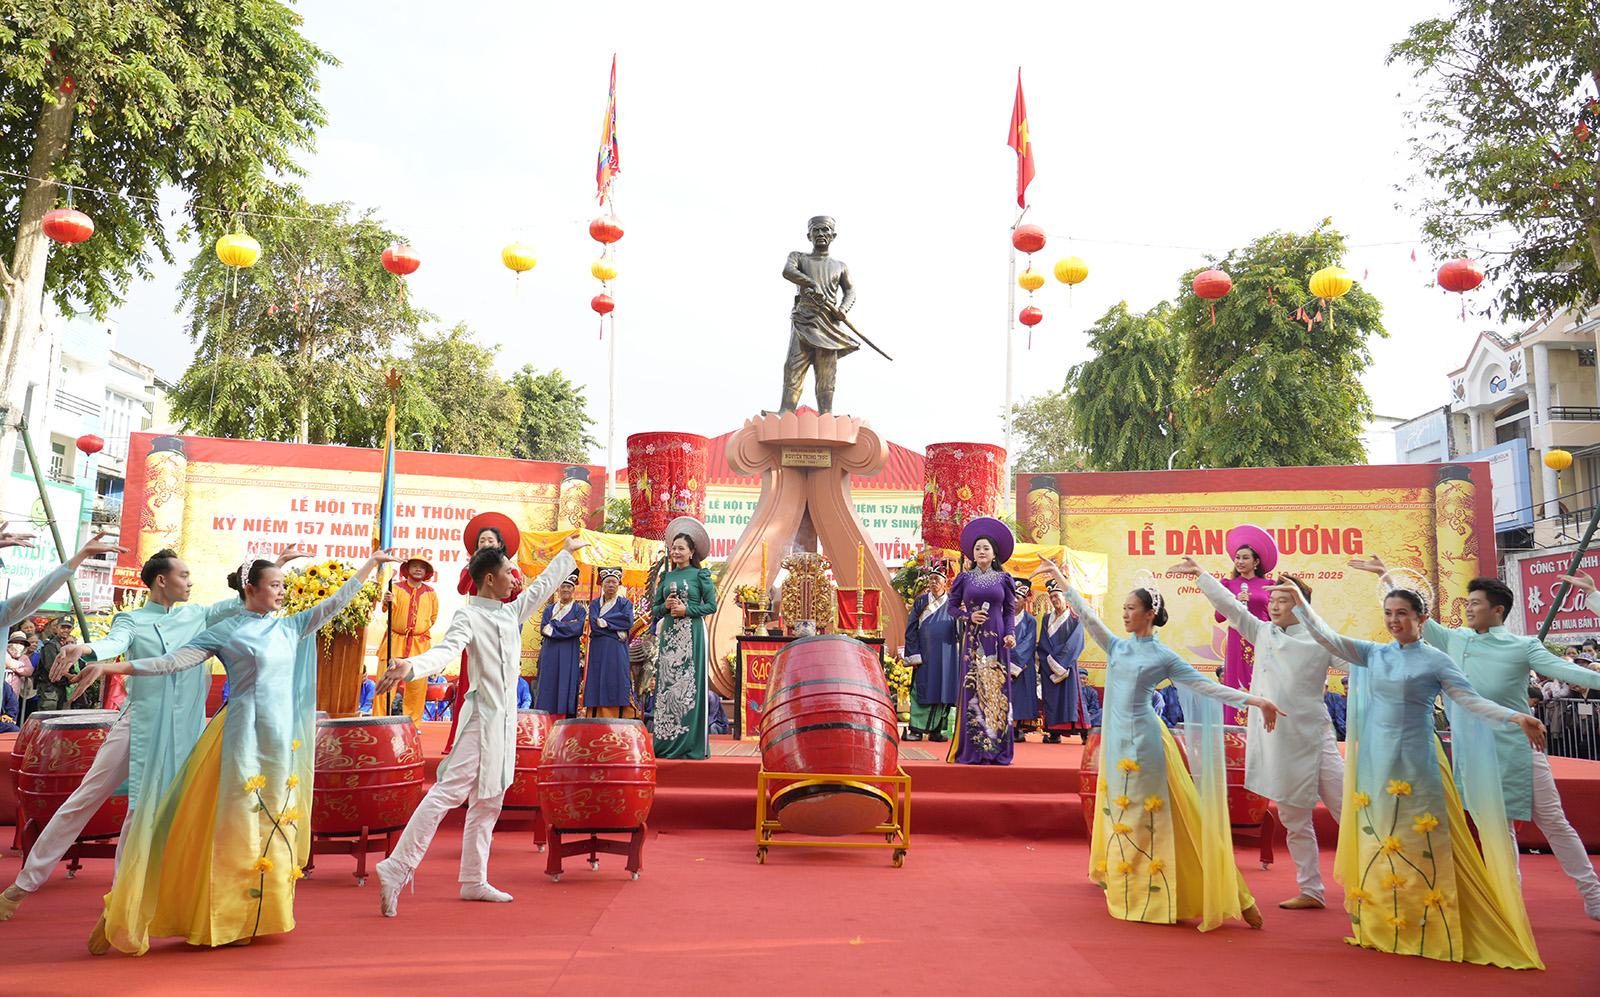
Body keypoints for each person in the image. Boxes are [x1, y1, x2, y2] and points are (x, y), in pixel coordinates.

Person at [66, 548, 401, 954]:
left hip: (280, 743)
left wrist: (371, 565)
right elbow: (171, 662)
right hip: (242, 739)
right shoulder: (226, 631)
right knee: (237, 827)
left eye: (283, 585)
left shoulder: (290, 626)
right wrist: (113, 667)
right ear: (251, 589)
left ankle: (258, 916)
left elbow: (336, 602)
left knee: (273, 824)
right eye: (275, 585)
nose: (282, 592)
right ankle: (221, 918)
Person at [1, 546, 312, 922]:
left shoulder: (199, 616)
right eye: (184, 575)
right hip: (141, 724)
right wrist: (87, 648)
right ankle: (23, 885)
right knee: (85, 798)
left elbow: (246, 598)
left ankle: (123, 903)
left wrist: (276, 566)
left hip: (186, 732)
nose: (190, 582)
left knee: (147, 814)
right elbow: (114, 643)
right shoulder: (131, 619)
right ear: (162, 580)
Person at [1279, 580, 1544, 969]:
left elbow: (1469, 700)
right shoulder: (1375, 653)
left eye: (1402, 613)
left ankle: (1431, 925)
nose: (1394, 621)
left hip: (1418, 762)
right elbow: (1328, 638)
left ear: (1422, 618)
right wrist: (1301, 604)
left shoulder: (1436, 660)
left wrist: (1515, 716)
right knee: (1383, 840)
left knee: (1422, 842)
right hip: (1377, 763)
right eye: (1388, 614)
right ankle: (1387, 925)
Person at [1034, 556, 1281, 931]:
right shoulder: (1118, 647)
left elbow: (1206, 687)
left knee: (1152, 816)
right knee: (1124, 814)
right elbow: (1086, 615)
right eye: (1123, 608)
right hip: (1116, 743)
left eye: (1131, 608)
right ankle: (1131, 888)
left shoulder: (1164, 656)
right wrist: (1060, 577)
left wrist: (1256, 701)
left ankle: (1224, 896)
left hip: (1146, 744)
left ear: (1150, 613)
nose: (1125, 614)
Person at [1355, 558, 1600, 920]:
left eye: (1475, 603)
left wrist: (1594, 599)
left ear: (1497, 610)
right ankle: (1509, 907)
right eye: (1467, 603)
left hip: (1520, 748)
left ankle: (1593, 895)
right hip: (1473, 753)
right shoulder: (1454, 640)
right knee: (1497, 833)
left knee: (1554, 822)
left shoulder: (1523, 646)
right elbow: (1413, 614)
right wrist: (1386, 575)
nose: (1468, 608)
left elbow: (1571, 672)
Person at [371, 537, 583, 916]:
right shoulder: (468, 617)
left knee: (490, 799)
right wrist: (411, 666)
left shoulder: (511, 612)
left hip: (504, 723)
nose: (514, 578)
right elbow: (446, 651)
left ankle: (473, 879)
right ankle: (397, 865)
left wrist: (566, 552)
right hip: (481, 720)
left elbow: (541, 588)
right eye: (507, 572)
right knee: (447, 793)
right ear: (489, 579)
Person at [1172, 555, 1345, 911]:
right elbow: (1232, 609)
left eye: (1283, 600)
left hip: (1316, 736)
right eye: (1273, 600)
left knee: (1348, 810)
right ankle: (1311, 889)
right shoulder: (1263, 632)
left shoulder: (1321, 640)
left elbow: (1358, 662)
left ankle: (1379, 880)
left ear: (1302, 607)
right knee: (1293, 817)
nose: (1274, 606)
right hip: (1279, 740)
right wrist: (1201, 575)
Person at [447, 513, 523, 752]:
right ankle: (459, 741)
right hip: (477, 627)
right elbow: (462, 589)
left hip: (500, 629)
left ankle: (497, 742)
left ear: (500, 544)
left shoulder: (510, 570)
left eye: (491, 541)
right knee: (470, 683)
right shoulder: (470, 568)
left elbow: (517, 600)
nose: (486, 544)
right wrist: (475, 567)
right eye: (482, 541)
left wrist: (517, 587)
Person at [947, 518, 1018, 765]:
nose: (981, 552)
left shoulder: (1004, 579)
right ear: (973, 553)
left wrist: (1010, 634)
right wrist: (969, 616)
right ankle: (975, 749)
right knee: (974, 688)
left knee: (996, 689)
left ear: (994, 553)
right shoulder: (964, 579)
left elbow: (1009, 611)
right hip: (973, 642)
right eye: (977, 548)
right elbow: (951, 608)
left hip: (998, 640)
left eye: (986, 548)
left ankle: (996, 749)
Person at [651, 516, 716, 760]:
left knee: (690, 685)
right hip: (669, 635)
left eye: (681, 548)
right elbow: (655, 609)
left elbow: (711, 606)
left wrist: (687, 610)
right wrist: (666, 607)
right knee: (667, 685)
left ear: (691, 552)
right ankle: (666, 742)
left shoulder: (700, 576)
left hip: (692, 634)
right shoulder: (666, 577)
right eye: (673, 548)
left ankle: (690, 743)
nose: (676, 552)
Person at [778, 215, 857, 414]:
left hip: (829, 323)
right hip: (804, 318)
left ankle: (826, 413)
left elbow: (850, 291)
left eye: (825, 230)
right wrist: (811, 283)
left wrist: (843, 309)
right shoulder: (799, 257)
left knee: (826, 371)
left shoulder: (840, 266)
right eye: (816, 230)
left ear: (833, 236)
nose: (821, 234)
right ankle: (786, 411)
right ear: (809, 235)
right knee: (794, 365)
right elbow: (788, 271)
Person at [1215, 525, 1275, 725]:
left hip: (1261, 638)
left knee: (1262, 681)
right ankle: (1234, 731)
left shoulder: (1270, 585)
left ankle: (1262, 726)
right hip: (1236, 642)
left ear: (1256, 562)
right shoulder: (1228, 585)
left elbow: (1275, 617)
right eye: (1237, 558)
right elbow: (1219, 617)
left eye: (1245, 558)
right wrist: (1234, 602)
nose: (1240, 561)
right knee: (1236, 683)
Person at [902, 558, 958, 742]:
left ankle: (937, 730)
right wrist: (914, 653)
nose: (933, 582)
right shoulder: (921, 601)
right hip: (925, 655)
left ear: (945, 582)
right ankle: (916, 729)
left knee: (944, 689)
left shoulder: (954, 603)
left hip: (947, 655)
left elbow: (961, 630)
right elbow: (911, 628)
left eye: (937, 579)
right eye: (931, 579)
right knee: (922, 688)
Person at [378, 557, 438, 721]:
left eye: (422, 567)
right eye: (415, 566)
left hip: (420, 644)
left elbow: (433, 617)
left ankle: (413, 725)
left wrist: (419, 628)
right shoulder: (396, 588)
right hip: (395, 641)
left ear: (426, 572)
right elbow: (387, 608)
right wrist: (386, 600)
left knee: (416, 688)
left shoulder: (431, 593)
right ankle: (379, 721)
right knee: (386, 683)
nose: (418, 569)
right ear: (407, 569)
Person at [1037, 578, 1090, 743]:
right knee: (1052, 700)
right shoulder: (1046, 618)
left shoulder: (1075, 618)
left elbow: (1076, 642)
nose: (1054, 599)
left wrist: (1060, 662)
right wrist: (1049, 662)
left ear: (1065, 597)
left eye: (1057, 596)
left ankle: (1083, 732)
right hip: (1049, 666)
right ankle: (1054, 733)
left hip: (1068, 666)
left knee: (1072, 699)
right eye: (1051, 597)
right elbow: (1043, 642)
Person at [585, 566, 636, 719]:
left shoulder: (625, 603)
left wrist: (606, 623)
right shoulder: (595, 604)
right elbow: (595, 625)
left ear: (619, 584)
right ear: (602, 584)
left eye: (614, 582)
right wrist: (616, 630)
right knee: (597, 678)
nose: (611, 585)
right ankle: (594, 716)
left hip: (617, 649)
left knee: (616, 677)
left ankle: (619, 715)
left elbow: (627, 621)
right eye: (608, 582)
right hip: (599, 647)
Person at [534, 569, 585, 718]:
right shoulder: (549, 609)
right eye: (563, 586)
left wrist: (554, 626)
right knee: (547, 681)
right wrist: (567, 626)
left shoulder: (579, 610)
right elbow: (544, 629)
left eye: (569, 587)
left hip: (569, 651)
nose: (565, 589)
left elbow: (577, 629)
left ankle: (564, 717)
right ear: (558, 589)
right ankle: (545, 716)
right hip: (549, 651)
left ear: (573, 590)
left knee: (566, 682)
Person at [1010, 577, 1040, 742]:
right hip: (1003, 663)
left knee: (1021, 696)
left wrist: (1015, 663)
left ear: (1024, 600)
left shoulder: (1030, 621)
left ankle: (1018, 727)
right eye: (1012, 597)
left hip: (1023, 665)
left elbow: (1029, 644)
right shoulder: (1002, 617)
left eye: (1018, 598)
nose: (1014, 601)